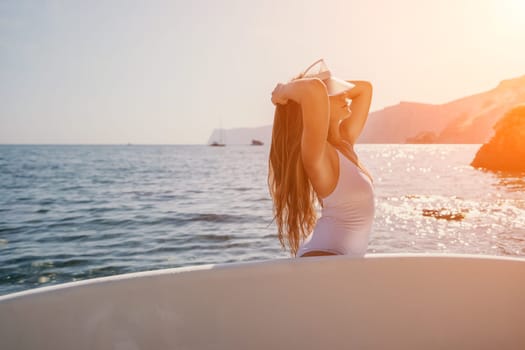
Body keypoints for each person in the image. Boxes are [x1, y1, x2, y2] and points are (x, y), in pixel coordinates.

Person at [268, 59, 374, 257]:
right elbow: (313, 90)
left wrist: (328, 85)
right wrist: (283, 92)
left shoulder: (344, 143)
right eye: (333, 93)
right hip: (323, 256)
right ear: (317, 105)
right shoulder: (318, 154)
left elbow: (365, 90)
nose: (345, 95)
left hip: (337, 261)